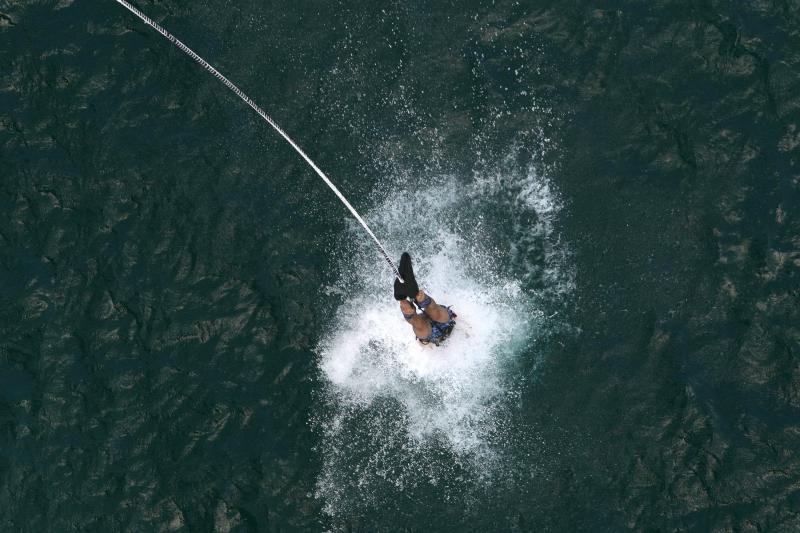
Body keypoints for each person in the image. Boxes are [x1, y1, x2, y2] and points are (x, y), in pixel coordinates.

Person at [394, 252, 457, 346]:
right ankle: (420, 301)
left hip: (431, 333)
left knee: (419, 322)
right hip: (442, 327)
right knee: (434, 315)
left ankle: (412, 307)